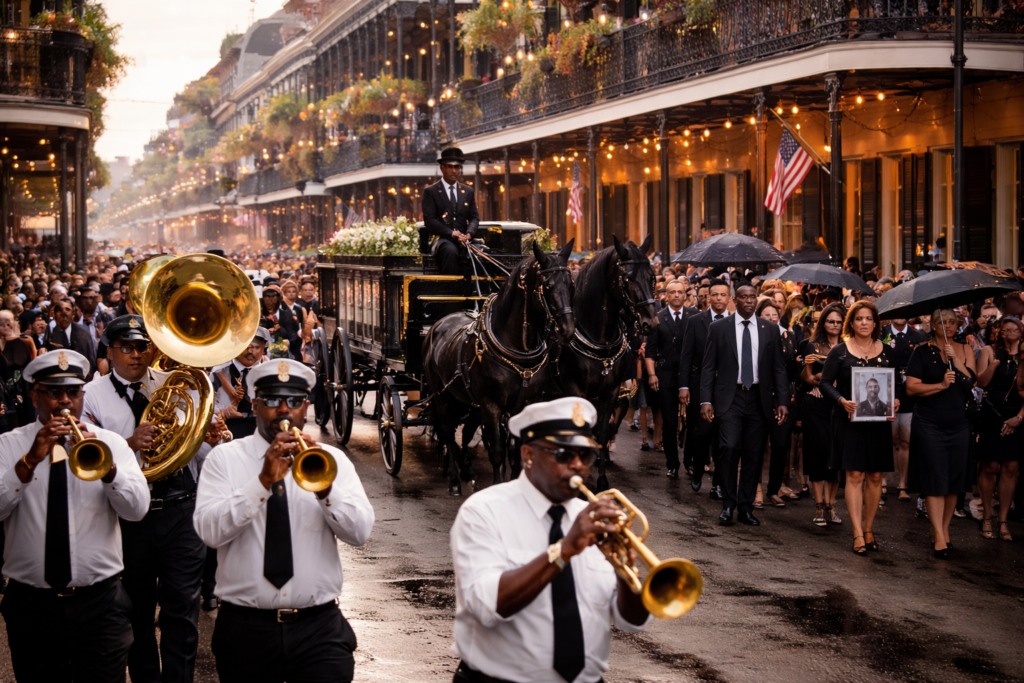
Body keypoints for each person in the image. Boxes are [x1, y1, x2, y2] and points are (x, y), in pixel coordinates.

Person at [194, 359, 375, 683]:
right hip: (245, 630)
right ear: (255, 404)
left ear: (306, 407)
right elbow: (209, 532)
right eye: (272, 400)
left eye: (293, 401)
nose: (283, 409)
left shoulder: (331, 462)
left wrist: (326, 490)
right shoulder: (224, 459)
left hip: (318, 629)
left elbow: (360, 532)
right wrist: (261, 481)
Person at [449, 397, 651, 683]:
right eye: (564, 454)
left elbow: (632, 622)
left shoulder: (592, 519)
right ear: (528, 454)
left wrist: (626, 576)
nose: (578, 465)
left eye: (586, 455)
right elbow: (487, 606)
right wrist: (564, 550)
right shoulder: (483, 511)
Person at [0, 349, 149, 681]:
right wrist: (27, 463)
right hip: (31, 604)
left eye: (73, 391)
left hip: (101, 604)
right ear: (35, 395)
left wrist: (110, 470)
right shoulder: (7, 446)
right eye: (54, 392)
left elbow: (137, 510)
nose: (64, 401)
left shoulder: (110, 443)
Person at [82, 314, 210, 683]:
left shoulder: (177, 385)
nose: (137, 355)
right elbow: (88, 460)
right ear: (110, 350)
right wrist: (127, 443)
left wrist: (211, 438)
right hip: (128, 519)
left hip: (180, 508)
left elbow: (191, 449)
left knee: (182, 611)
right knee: (135, 611)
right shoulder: (91, 396)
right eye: (127, 348)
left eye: (143, 347)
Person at [700, 281, 790, 526]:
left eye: (753, 297)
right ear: (734, 300)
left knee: (754, 453)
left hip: (759, 398)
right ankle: (728, 504)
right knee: (728, 448)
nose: (749, 301)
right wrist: (706, 400)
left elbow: (779, 369)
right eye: (743, 297)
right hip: (730, 397)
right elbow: (708, 368)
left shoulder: (770, 330)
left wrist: (782, 400)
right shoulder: (719, 328)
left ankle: (746, 506)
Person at [819, 302, 898, 555]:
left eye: (868, 318)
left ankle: (869, 529)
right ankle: (856, 532)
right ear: (851, 323)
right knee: (854, 476)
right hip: (848, 420)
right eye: (859, 318)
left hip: (878, 424)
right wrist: (842, 400)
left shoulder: (886, 351)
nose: (864, 322)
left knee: (875, 476)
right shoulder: (840, 352)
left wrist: (896, 400)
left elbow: (895, 386)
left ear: (876, 323)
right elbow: (824, 384)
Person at [905, 308, 977, 559]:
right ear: (932, 326)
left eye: (952, 322)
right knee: (936, 479)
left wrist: (956, 361)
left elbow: (972, 384)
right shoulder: (921, 352)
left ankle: (943, 532)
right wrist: (941, 385)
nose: (948, 326)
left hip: (959, 422)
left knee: (954, 482)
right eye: (943, 322)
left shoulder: (965, 349)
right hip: (930, 423)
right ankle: (937, 534)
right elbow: (912, 389)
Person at [680, 279, 731, 496]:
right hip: (700, 384)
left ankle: (719, 483)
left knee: (723, 439)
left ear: (729, 298)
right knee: (702, 434)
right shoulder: (695, 321)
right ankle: (698, 470)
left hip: (727, 388)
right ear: (708, 297)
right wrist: (684, 386)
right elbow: (686, 355)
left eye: (723, 295)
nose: (719, 298)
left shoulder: (735, 323)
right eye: (715, 295)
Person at [975, 315, 1022, 542]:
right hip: (992, 413)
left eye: (1014, 330)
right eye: (1005, 330)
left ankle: (1003, 520)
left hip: (1017, 413)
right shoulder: (988, 351)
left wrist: (1019, 418)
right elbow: (981, 383)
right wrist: (993, 365)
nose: (1009, 333)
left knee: (1011, 467)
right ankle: (986, 515)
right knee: (990, 465)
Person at [645, 280, 697, 478]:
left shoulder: (695, 317)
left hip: (690, 376)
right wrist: (651, 374)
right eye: (672, 292)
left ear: (686, 295)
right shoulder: (657, 318)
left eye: (680, 292)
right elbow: (650, 351)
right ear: (665, 295)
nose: (676, 295)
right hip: (665, 375)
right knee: (669, 422)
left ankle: (689, 461)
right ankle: (672, 464)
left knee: (693, 422)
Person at [798, 304, 845, 526]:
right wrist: (815, 376)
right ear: (823, 322)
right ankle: (818, 505)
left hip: (839, 406)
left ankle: (831, 504)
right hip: (815, 405)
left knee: (835, 457)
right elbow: (805, 379)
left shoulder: (848, 347)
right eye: (830, 321)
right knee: (817, 455)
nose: (834, 325)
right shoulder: (812, 345)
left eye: (838, 321)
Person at [755, 300, 799, 508]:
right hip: (759, 397)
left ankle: (774, 489)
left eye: (775, 315)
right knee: (756, 445)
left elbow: (790, 370)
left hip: (783, 398)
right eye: (766, 315)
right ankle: (757, 489)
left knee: (780, 445)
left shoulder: (789, 337)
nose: (772, 318)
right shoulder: (754, 335)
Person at [885, 316, 928, 502]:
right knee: (887, 439)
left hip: (909, 393)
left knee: (906, 440)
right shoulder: (881, 334)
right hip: (885, 389)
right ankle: (882, 481)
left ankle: (903, 483)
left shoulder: (919, 336)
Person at [422, 147, 480, 275]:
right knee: (450, 251)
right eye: (450, 167)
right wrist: (452, 233)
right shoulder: (431, 192)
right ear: (442, 168)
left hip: (465, 239)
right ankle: (450, 290)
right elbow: (430, 221)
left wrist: (469, 233)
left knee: (483, 252)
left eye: (457, 167)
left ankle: (482, 292)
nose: (454, 171)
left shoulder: (468, 191)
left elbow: (474, 217)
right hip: (442, 239)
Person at [44, 299, 97, 378]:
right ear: (54, 314)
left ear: (73, 313)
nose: (64, 313)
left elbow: (91, 360)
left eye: (67, 309)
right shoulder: (50, 333)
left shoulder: (84, 333)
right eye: (59, 310)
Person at [260, 284, 301, 360]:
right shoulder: (258, 316)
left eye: (273, 297)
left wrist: (278, 329)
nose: (270, 301)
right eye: (267, 297)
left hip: (284, 354)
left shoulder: (286, 315)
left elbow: (293, 337)